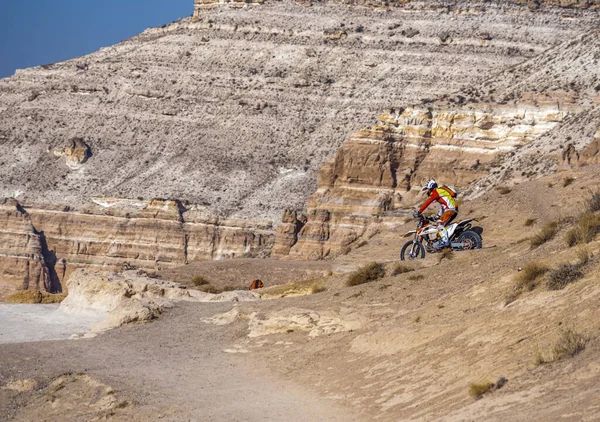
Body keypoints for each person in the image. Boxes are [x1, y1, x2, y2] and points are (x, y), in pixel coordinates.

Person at [416, 179, 458, 248]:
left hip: (450, 210)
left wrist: (420, 211)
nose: (428, 192)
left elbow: (428, 202)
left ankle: (445, 241)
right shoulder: (440, 193)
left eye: (428, 189)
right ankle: (447, 239)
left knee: (440, 225)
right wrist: (436, 217)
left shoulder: (436, 191)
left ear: (431, 187)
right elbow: (443, 206)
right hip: (451, 210)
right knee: (440, 224)